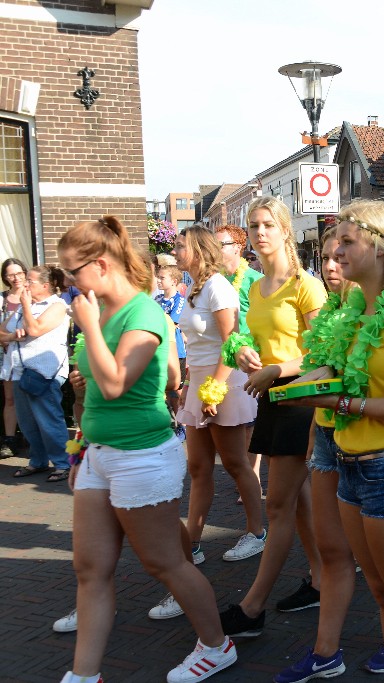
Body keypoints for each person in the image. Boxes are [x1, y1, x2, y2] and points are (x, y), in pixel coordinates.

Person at [57, 216, 237, 683]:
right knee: (90, 569)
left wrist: (90, 329)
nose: (68, 283)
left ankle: (217, 646)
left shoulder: (142, 313)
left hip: (141, 454)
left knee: (165, 563)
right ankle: (84, 675)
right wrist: (80, 449)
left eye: (72, 272)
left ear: (99, 265)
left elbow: (117, 382)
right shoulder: (103, 313)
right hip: (98, 451)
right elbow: (98, 381)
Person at [282, 200, 384, 683]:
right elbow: (333, 371)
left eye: (347, 240)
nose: (335, 248)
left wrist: (345, 407)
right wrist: (296, 387)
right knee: (382, 596)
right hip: (352, 467)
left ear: (380, 247)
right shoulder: (357, 310)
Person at [218, 195, 326, 638]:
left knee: (278, 503)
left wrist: (276, 370)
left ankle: (252, 607)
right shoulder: (258, 286)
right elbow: (254, 338)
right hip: (270, 394)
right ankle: (321, 579)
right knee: (296, 502)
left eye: (267, 225)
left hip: (298, 398)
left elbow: (324, 354)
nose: (260, 233)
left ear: (285, 230)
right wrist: (244, 353)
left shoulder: (306, 285)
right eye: (254, 225)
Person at [272, 228, 357, 683]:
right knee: (332, 550)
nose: (329, 265)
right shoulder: (328, 314)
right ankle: (326, 652)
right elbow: (319, 367)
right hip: (326, 436)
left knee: (381, 563)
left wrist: (321, 396)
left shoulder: (381, 314)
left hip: (370, 447)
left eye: (339, 256)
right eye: (324, 257)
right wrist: (294, 387)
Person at [171, 228, 264, 569]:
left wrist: (213, 389)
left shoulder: (217, 286)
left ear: (197, 250)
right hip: (199, 383)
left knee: (236, 463)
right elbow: (195, 346)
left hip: (222, 383)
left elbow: (232, 343)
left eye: (180, 246)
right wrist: (187, 386)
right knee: (197, 467)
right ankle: (193, 542)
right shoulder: (194, 288)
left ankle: (256, 532)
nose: (176, 250)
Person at [0, 264, 71, 481]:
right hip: (19, 371)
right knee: (27, 421)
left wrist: (26, 307)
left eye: (30, 281)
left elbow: (36, 329)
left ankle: (62, 463)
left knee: (49, 418)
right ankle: (37, 461)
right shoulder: (24, 307)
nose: (25, 284)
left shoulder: (57, 305)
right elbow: (2, 332)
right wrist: (13, 336)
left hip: (45, 371)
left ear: (46, 285)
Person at [215, 224, 265, 495]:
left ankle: (252, 477)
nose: (217, 249)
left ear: (237, 247)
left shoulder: (253, 280)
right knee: (234, 421)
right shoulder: (217, 280)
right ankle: (244, 476)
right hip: (227, 356)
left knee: (249, 423)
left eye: (221, 244)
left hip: (249, 356)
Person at [0, 257, 27, 457]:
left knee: (32, 396)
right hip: (8, 356)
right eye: (11, 274)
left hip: (32, 354)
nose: (16, 278)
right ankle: (10, 439)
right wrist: (7, 338)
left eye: (19, 273)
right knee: (10, 398)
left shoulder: (35, 294)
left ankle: (31, 436)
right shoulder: (2, 299)